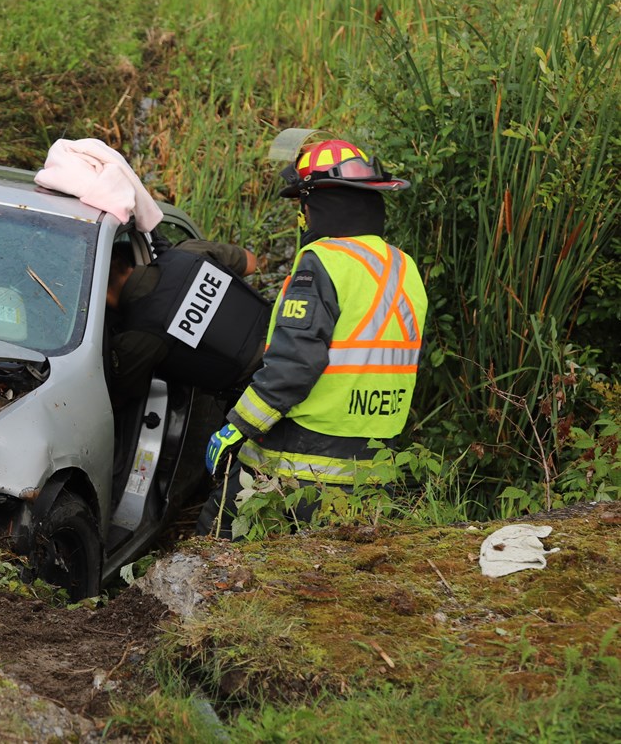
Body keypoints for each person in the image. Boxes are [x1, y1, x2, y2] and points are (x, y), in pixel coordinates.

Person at [196, 139, 428, 537]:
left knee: (216, 544)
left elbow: (294, 365)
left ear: (315, 204)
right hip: (374, 467)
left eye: (301, 204)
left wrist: (237, 427)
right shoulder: (403, 267)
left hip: (298, 465)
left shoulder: (321, 263)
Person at [105, 234, 267, 411]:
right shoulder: (190, 251)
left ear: (103, 294)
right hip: (290, 337)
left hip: (259, 391)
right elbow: (251, 263)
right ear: (126, 262)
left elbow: (118, 400)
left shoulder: (139, 335)